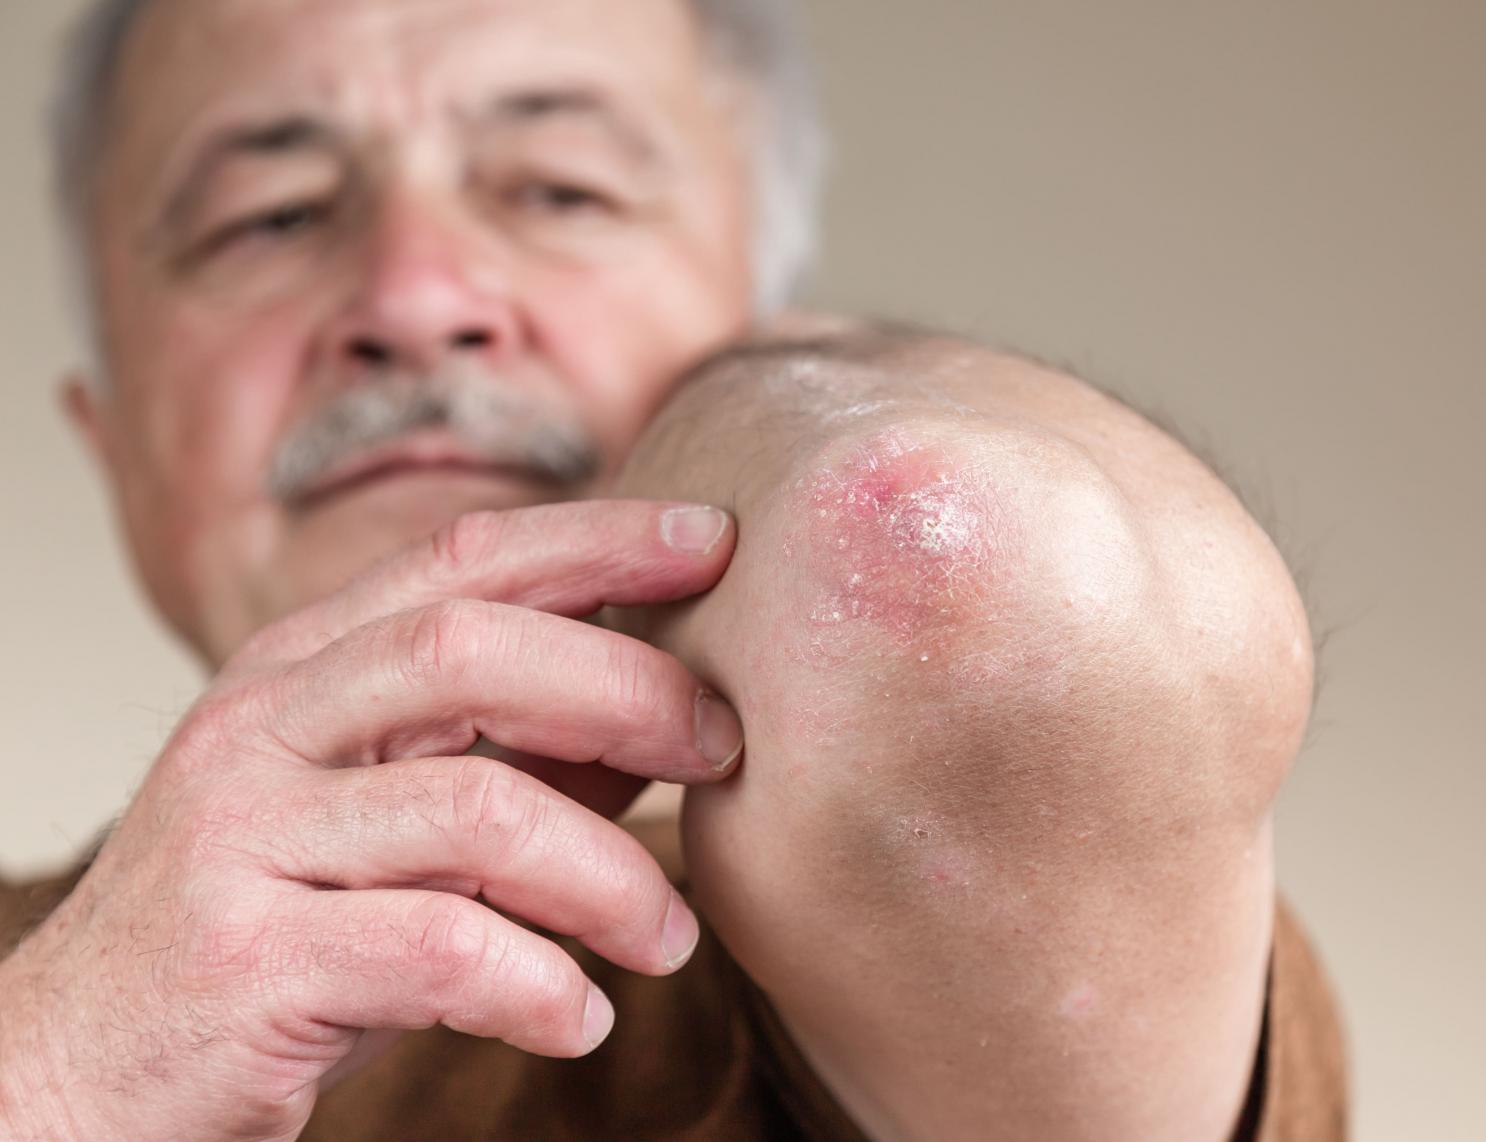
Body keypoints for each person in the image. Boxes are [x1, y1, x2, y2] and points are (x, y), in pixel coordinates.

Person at [0, 0, 1346, 1138]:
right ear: (109, 440)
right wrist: (55, 1068)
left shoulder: (923, 926)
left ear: (764, 347)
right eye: (270, 216)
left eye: (560, 190)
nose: (414, 298)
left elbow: (982, 565)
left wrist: (737, 406)